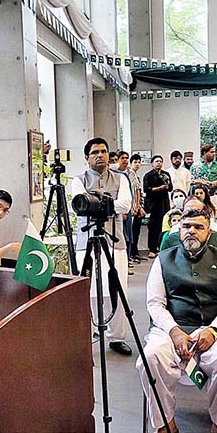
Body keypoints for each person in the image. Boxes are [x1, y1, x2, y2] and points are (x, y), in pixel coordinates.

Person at [138, 208, 217, 433]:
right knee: (150, 357)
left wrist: (214, 331)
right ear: (179, 230)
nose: (191, 231)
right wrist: (174, 330)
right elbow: (155, 303)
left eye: (198, 227)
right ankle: (166, 425)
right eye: (186, 227)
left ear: (209, 232)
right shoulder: (164, 260)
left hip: (214, 330)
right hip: (171, 329)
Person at [72, 138, 133, 356]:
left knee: (117, 289)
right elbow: (80, 205)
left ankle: (116, 338)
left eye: (104, 151)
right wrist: (109, 204)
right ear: (86, 157)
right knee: (86, 291)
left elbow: (126, 204)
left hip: (115, 242)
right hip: (86, 243)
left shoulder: (121, 178)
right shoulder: (78, 180)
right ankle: (86, 335)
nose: (100, 155)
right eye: (95, 152)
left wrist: (96, 203)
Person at [144, 154, 173, 258]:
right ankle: (152, 249)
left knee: (164, 226)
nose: (159, 163)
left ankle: (163, 248)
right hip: (153, 204)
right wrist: (160, 188)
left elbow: (170, 189)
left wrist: (167, 183)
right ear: (152, 164)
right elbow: (146, 189)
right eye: (156, 161)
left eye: (160, 161)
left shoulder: (166, 174)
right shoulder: (148, 175)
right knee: (153, 227)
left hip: (164, 203)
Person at [116, 151, 139, 275]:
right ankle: (121, 265)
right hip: (120, 212)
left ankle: (127, 262)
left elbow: (136, 190)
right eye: (122, 158)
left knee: (129, 238)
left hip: (129, 210)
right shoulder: (115, 174)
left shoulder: (130, 174)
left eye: (126, 158)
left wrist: (136, 206)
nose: (125, 160)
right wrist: (122, 211)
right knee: (122, 237)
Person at [192, 144, 217, 217]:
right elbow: (190, 180)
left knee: (215, 216)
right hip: (200, 196)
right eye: (211, 152)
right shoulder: (196, 165)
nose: (214, 154)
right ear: (204, 153)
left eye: (214, 152)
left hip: (214, 195)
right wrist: (200, 182)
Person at [129, 153, 147, 262]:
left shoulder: (137, 176)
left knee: (136, 232)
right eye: (135, 162)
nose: (137, 164)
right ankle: (131, 254)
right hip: (133, 208)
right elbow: (133, 193)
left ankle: (135, 253)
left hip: (138, 206)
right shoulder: (130, 175)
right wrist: (137, 207)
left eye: (139, 162)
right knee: (132, 233)